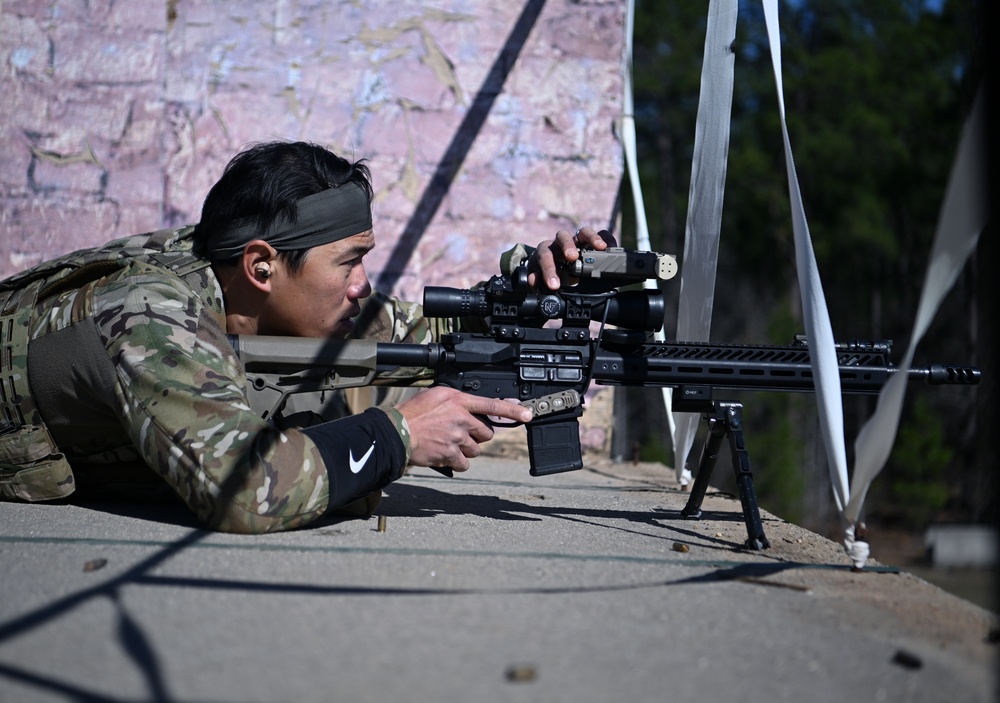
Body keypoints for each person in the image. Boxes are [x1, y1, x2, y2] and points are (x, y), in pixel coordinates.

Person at [0, 140, 613, 533]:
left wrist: (525, 294)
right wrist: (402, 433)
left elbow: (422, 332)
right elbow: (245, 491)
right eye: (348, 262)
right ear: (262, 266)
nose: (364, 285)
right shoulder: (149, 315)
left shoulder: (257, 283)